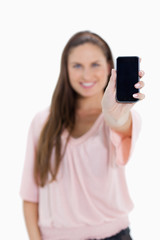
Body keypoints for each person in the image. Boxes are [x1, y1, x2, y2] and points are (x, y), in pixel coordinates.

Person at [20, 31, 145, 240]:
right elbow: (30, 196)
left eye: (95, 64)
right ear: (66, 69)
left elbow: (120, 125)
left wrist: (114, 114)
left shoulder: (121, 118)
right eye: (77, 66)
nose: (86, 75)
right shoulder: (42, 122)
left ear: (108, 67)